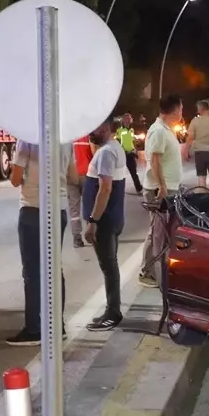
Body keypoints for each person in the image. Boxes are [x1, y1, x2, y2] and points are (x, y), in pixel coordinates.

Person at [7, 139, 74, 346]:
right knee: (54, 268)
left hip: (33, 209)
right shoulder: (66, 137)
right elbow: (73, 176)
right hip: (58, 209)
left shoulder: (27, 139)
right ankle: (57, 327)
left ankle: (34, 329)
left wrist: (17, 170)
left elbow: (15, 179)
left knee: (32, 271)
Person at [83, 119, 128, 331]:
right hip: (113, 218)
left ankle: (113, 313)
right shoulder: (114, 148)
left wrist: (93, 221)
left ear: (108, 128)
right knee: (110, 266)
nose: (91, 132)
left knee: (109, 267)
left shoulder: (106, 153)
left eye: (96, 128)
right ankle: (112, 310)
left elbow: (105, 189)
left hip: (104, 221)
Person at [138, 95, 184, 289]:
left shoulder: (166, 130)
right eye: (181, 109)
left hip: (167, 187)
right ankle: (151, 273)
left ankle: (155, 271)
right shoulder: (158, 131)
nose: (181, 113)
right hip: (159, 190)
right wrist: (162, 186)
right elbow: (155, 161)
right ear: (175, 110)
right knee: (157, 233)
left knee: (160, 232)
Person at [185, 100, 209, 192]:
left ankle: (202, 195)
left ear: (200, 109)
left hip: (200, 152)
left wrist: (186, 151)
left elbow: (190, 138)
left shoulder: (195, 121)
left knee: (201, 176)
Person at [70, 134, 94, 247]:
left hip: (71, 175)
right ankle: (90, 234)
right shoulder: (88, 137)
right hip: (86, 174)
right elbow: (94, 155)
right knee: (89, 205)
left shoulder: (68, 138)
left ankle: (77, 238)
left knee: (74, 208)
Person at [116, 113, 142, 194]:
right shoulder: (119, 130)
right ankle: (118, 189)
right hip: (123, 154)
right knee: (121, 173)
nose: (129, 120)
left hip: (130, 154)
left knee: (134, 172)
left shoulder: (131, 130)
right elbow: (118, 142)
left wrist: (135, 150)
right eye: (127, 118)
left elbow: (133, 141)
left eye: (130, 118)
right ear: (123, 120)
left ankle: (139, 188)